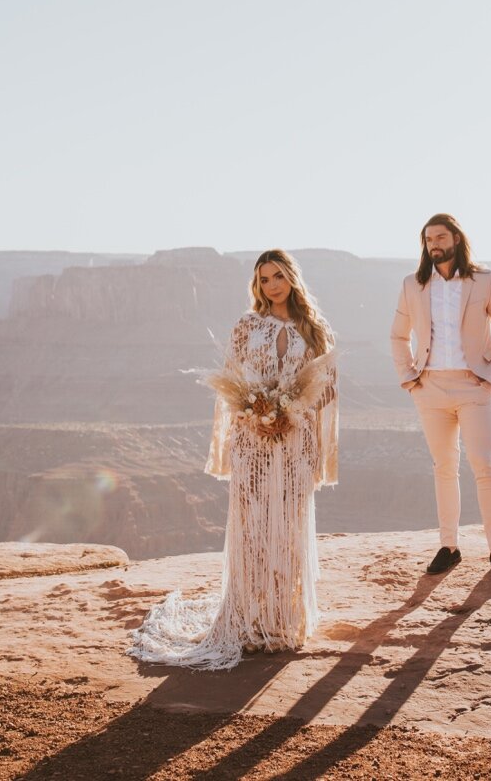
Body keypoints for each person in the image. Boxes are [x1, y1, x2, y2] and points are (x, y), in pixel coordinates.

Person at [129, 249, 338, 670]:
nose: (272, 285)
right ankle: (246, 621)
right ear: (257, 285)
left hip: (295, 443)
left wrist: (292, 413)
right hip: (252, 442)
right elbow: (233, 382)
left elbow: (328, 390)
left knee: (287, 529)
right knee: (252, 529)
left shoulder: (315, 330)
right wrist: (258, 413)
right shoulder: (247, 326)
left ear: (292, 278)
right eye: (264, 279)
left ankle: (282, 623)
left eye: (278, 276)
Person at [390, 213, 491, 581]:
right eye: (428, 238)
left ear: (456, 239)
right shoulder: (413, 285)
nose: (434, 244)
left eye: (441, 237)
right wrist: (409, 377)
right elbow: (398, 336)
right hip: (429, 388)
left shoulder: (485, 280)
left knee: (485, 465)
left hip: (473, 385)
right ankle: (449, 547)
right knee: (444, 467)